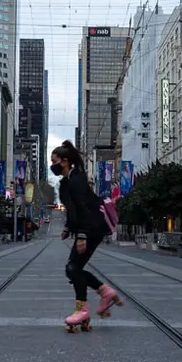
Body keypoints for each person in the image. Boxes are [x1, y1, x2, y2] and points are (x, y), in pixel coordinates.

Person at [51, 141, 122, 332]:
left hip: (92, 229)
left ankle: (84, 308)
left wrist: (81, 235)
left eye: (55, 161)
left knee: (73, 268)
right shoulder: (66, 182)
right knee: (74, 268)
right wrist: (68, 227)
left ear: (65, 161)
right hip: (88, 228)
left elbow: (84, 208)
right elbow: (72, 209)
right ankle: (103, 293)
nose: (53, 166)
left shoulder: (77, 179)